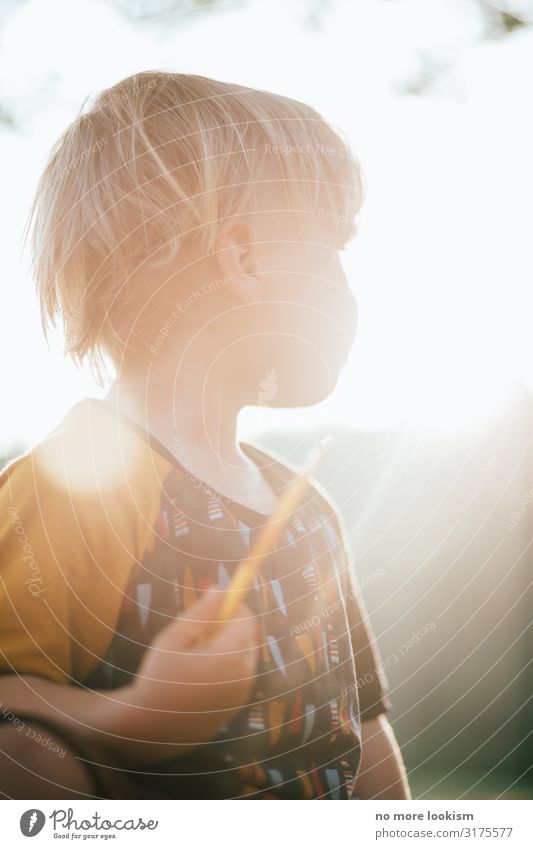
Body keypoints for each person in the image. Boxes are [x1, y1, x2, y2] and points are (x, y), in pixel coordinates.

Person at [0, 71, 410, 800]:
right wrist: (129, 716)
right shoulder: (73, 484)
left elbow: (362, 732)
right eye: (333, 246)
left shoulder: (305, 508)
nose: (351, 288)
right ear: (242, 256)